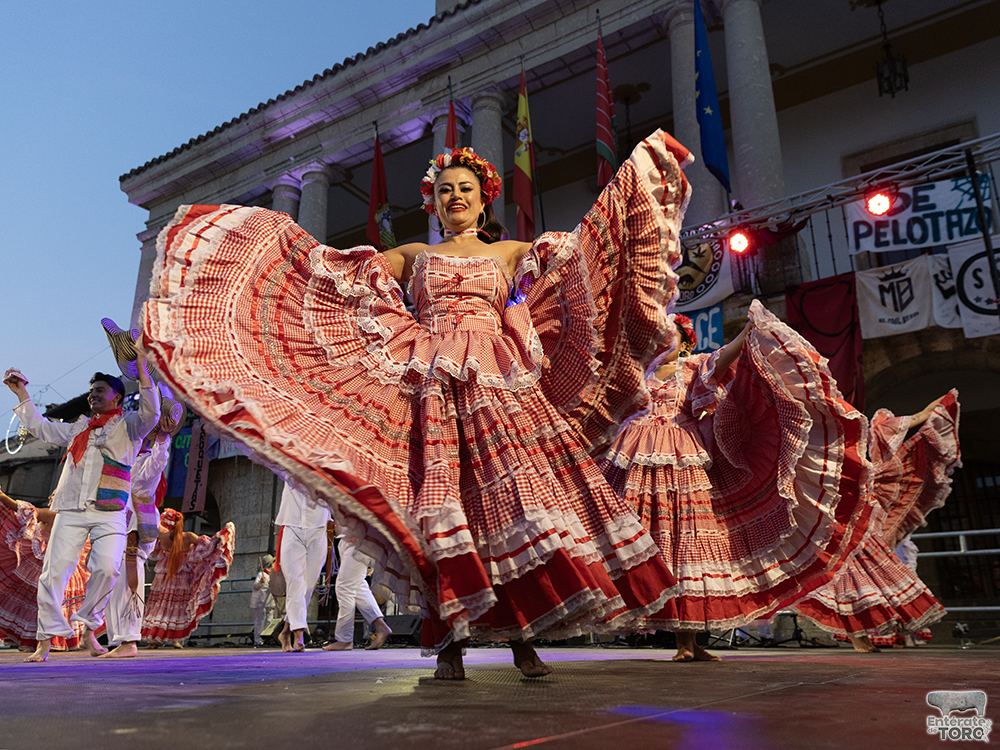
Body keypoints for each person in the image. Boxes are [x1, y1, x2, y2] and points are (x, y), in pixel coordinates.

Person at [141, 131, 694, 679]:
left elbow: (576, 261)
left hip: (498, 382)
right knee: (443, 509)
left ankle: (523, 640)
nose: (455, 197)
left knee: (512, 505)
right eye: (445, 190)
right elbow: (338, 275)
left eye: (465, 189)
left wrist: (628, 195)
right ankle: (450, 645)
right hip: (431, 384)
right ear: (433, 201)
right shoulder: (414, 255)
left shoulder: (509, 253)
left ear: (484, 199)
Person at [599, 306, 875, 662]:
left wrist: (749, 329)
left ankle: (688, 642)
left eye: (669, 337)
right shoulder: (641, 375)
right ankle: (660, 627)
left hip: (683, 457)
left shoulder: (692, 367)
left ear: (685, 344)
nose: (661, 343)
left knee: (687, 547)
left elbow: (726, 355)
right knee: (646, 542)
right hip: (638, 460)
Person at [4, 355, 160, 662]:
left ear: (117, 397)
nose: (93, 395)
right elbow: (40, 427)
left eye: (100, 390)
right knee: (52, 574)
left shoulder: (130, 426)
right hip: (70, 509)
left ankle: (89, 625)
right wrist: (21, 392)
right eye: (91, 391)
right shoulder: (78, 428)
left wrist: (142, 371)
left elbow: (152, 413)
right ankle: (45, 640)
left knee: (108, 568)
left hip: (109, 511)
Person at [791, 393, 960, 652]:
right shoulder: (810, 450)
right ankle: (858, 636)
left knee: (872, 579)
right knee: (846, 581)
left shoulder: (847, 443)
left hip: (857, 520)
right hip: (833, 524)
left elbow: (885, 431)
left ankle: (873, 633)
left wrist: (926, 413)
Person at [101, 395, 183, 658]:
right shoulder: (126, 457)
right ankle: (120, 640)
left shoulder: (145, 461)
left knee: (128, 580)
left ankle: (129, 641)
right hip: (118, 525)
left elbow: (158, 463)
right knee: (113, 582)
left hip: (134, 528)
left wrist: (163, 440)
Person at [0, 490, 90, 652]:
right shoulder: (76, 519)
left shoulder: (54, 515)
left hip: (49, 565)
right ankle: (50, 640)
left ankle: (46, 641)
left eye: (54, 494)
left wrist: (2, 497)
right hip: (59, 565)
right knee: (50, 602)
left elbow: (27, 511)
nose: (50, 497)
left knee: (44, 602)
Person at [141, 508, 235, 647]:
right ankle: (176, 640)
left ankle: (154, 640)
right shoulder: (188, 537)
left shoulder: (161, 535)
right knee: (178, 606)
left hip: (164, 572)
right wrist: (223, 534)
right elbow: (210, 545)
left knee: (160, 603)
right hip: (182, 573)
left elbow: (149, 539)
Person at [274, 482, 333, 652]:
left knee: (307, 587)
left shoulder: (327, 472)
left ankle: (285, 631)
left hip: (319, 528)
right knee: (296, 583)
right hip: (293, 527)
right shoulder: (289, 469)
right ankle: (299, 634)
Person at [323, 521, 392, 652]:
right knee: (358, 585)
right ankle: (381, 627)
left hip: (358, 539)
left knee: (344, 588)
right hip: (349, 538)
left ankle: (344, 639)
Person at [251, 554, 276, 647]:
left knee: (269, 621)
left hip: (269, 602)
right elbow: (255, 586)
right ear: (270, 564)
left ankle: (268, 639)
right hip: (260, 602)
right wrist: (260, 583)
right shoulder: (261, 574)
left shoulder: (272, 575)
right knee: (259, 622)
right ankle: (258, 640)